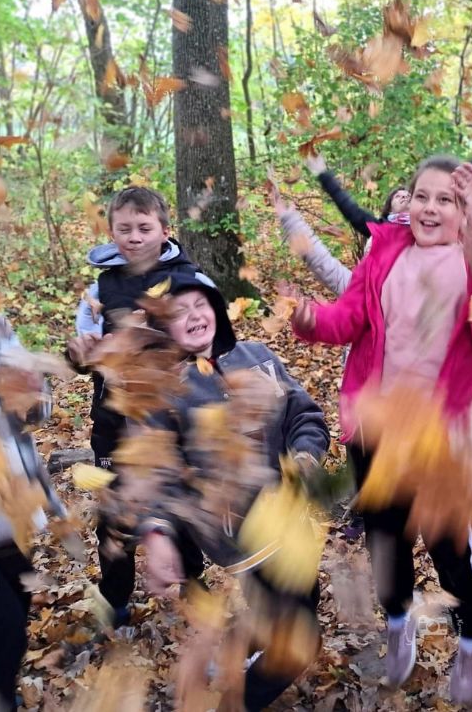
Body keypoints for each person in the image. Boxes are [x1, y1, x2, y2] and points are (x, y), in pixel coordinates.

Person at [292, 157, 472, 703]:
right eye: (422, 196)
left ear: (465, 213)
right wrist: (311, 319)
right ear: (407, 201)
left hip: (442, 435)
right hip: (377, 426)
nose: (430, 208)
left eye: (447, 200)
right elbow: (349, 317)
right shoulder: (384, 248)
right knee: (385, 540)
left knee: (445, 545)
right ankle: (398, 622)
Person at [130, 270, 330, 711]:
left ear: (218, 307)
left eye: (200, 303)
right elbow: (154, 470)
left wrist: (304, 459)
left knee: (305, 598)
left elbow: (305, 417)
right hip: (243, 537)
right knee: (300, 639)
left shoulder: (256, 357)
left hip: (291, 518)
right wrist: (158, 532)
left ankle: (242, 654)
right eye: (179, 312)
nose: (194, 315)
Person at [66, 186, 204, 627]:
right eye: (124, 228)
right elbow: (85, 355)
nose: (135, 237)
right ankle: (115, 600)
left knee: (180, 502)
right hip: (114, 418)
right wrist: (80, 353)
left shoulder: (191, 279)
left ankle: (194, 583)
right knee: (114, 511)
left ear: (165, 230)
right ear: (112, 231)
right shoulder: (100, 288)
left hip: (170, 418)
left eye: (145, 228)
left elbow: (209, 339)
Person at [0, 299, 64, 711]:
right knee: (1, 625)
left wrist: (32, 390)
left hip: (7, 510)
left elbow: (36, 411)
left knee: (14, 600)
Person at [306, 154, 411, 240]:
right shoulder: (381, 230)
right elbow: (352, 211)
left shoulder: (424, 226)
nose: (403, 197)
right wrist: (324, 175)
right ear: (390, 210)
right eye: (398, 196)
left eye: (408, 196)